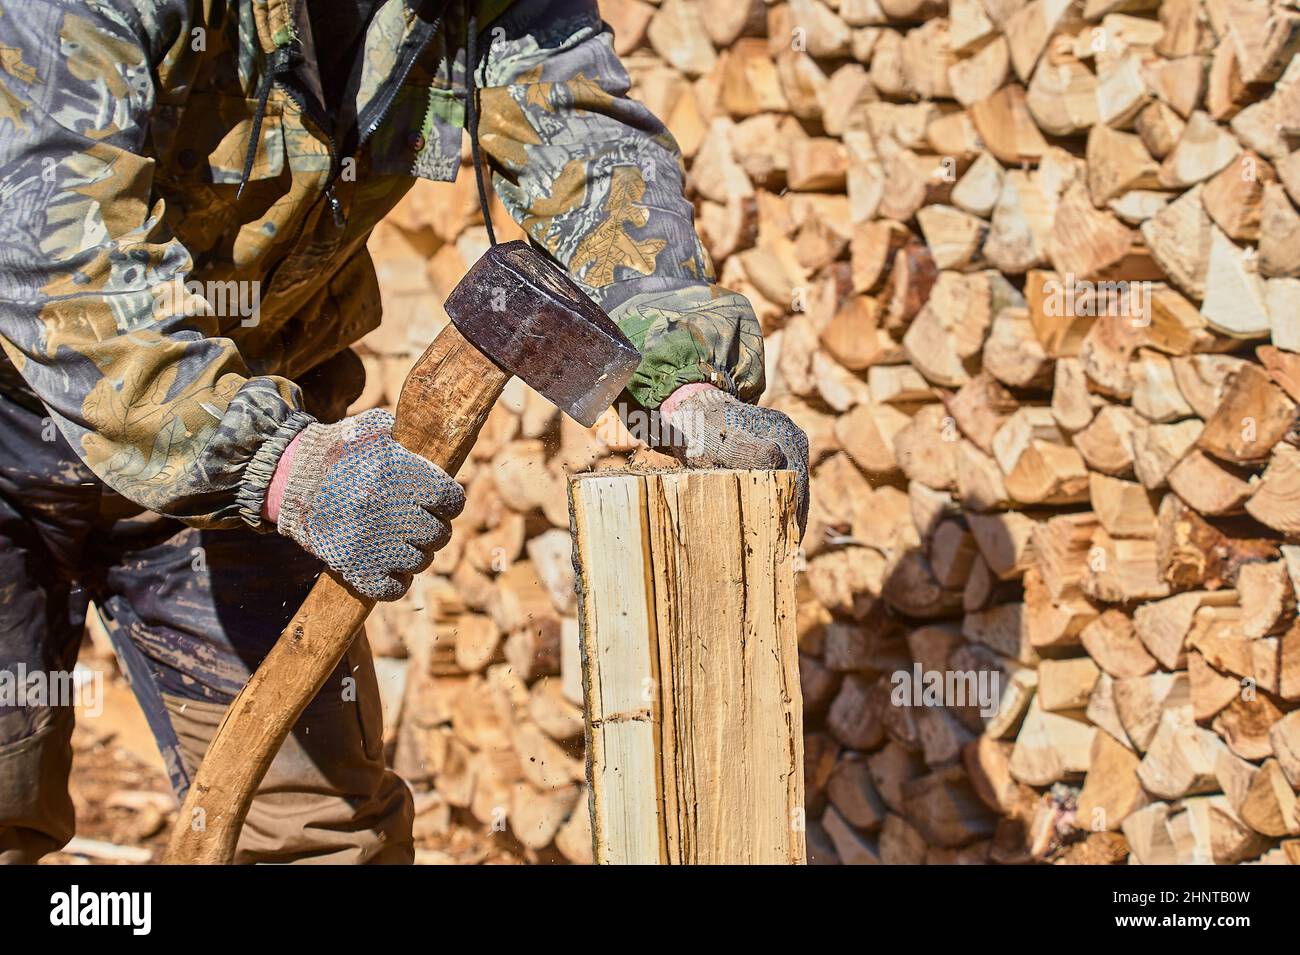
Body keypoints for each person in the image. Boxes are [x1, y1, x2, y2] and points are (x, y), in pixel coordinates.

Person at [0, 0, 809, 863]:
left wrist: (675, 370)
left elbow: (586, 146)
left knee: (321, 842)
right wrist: (284, 469)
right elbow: (50, 249)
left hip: (244, 432)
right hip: (33, 420)